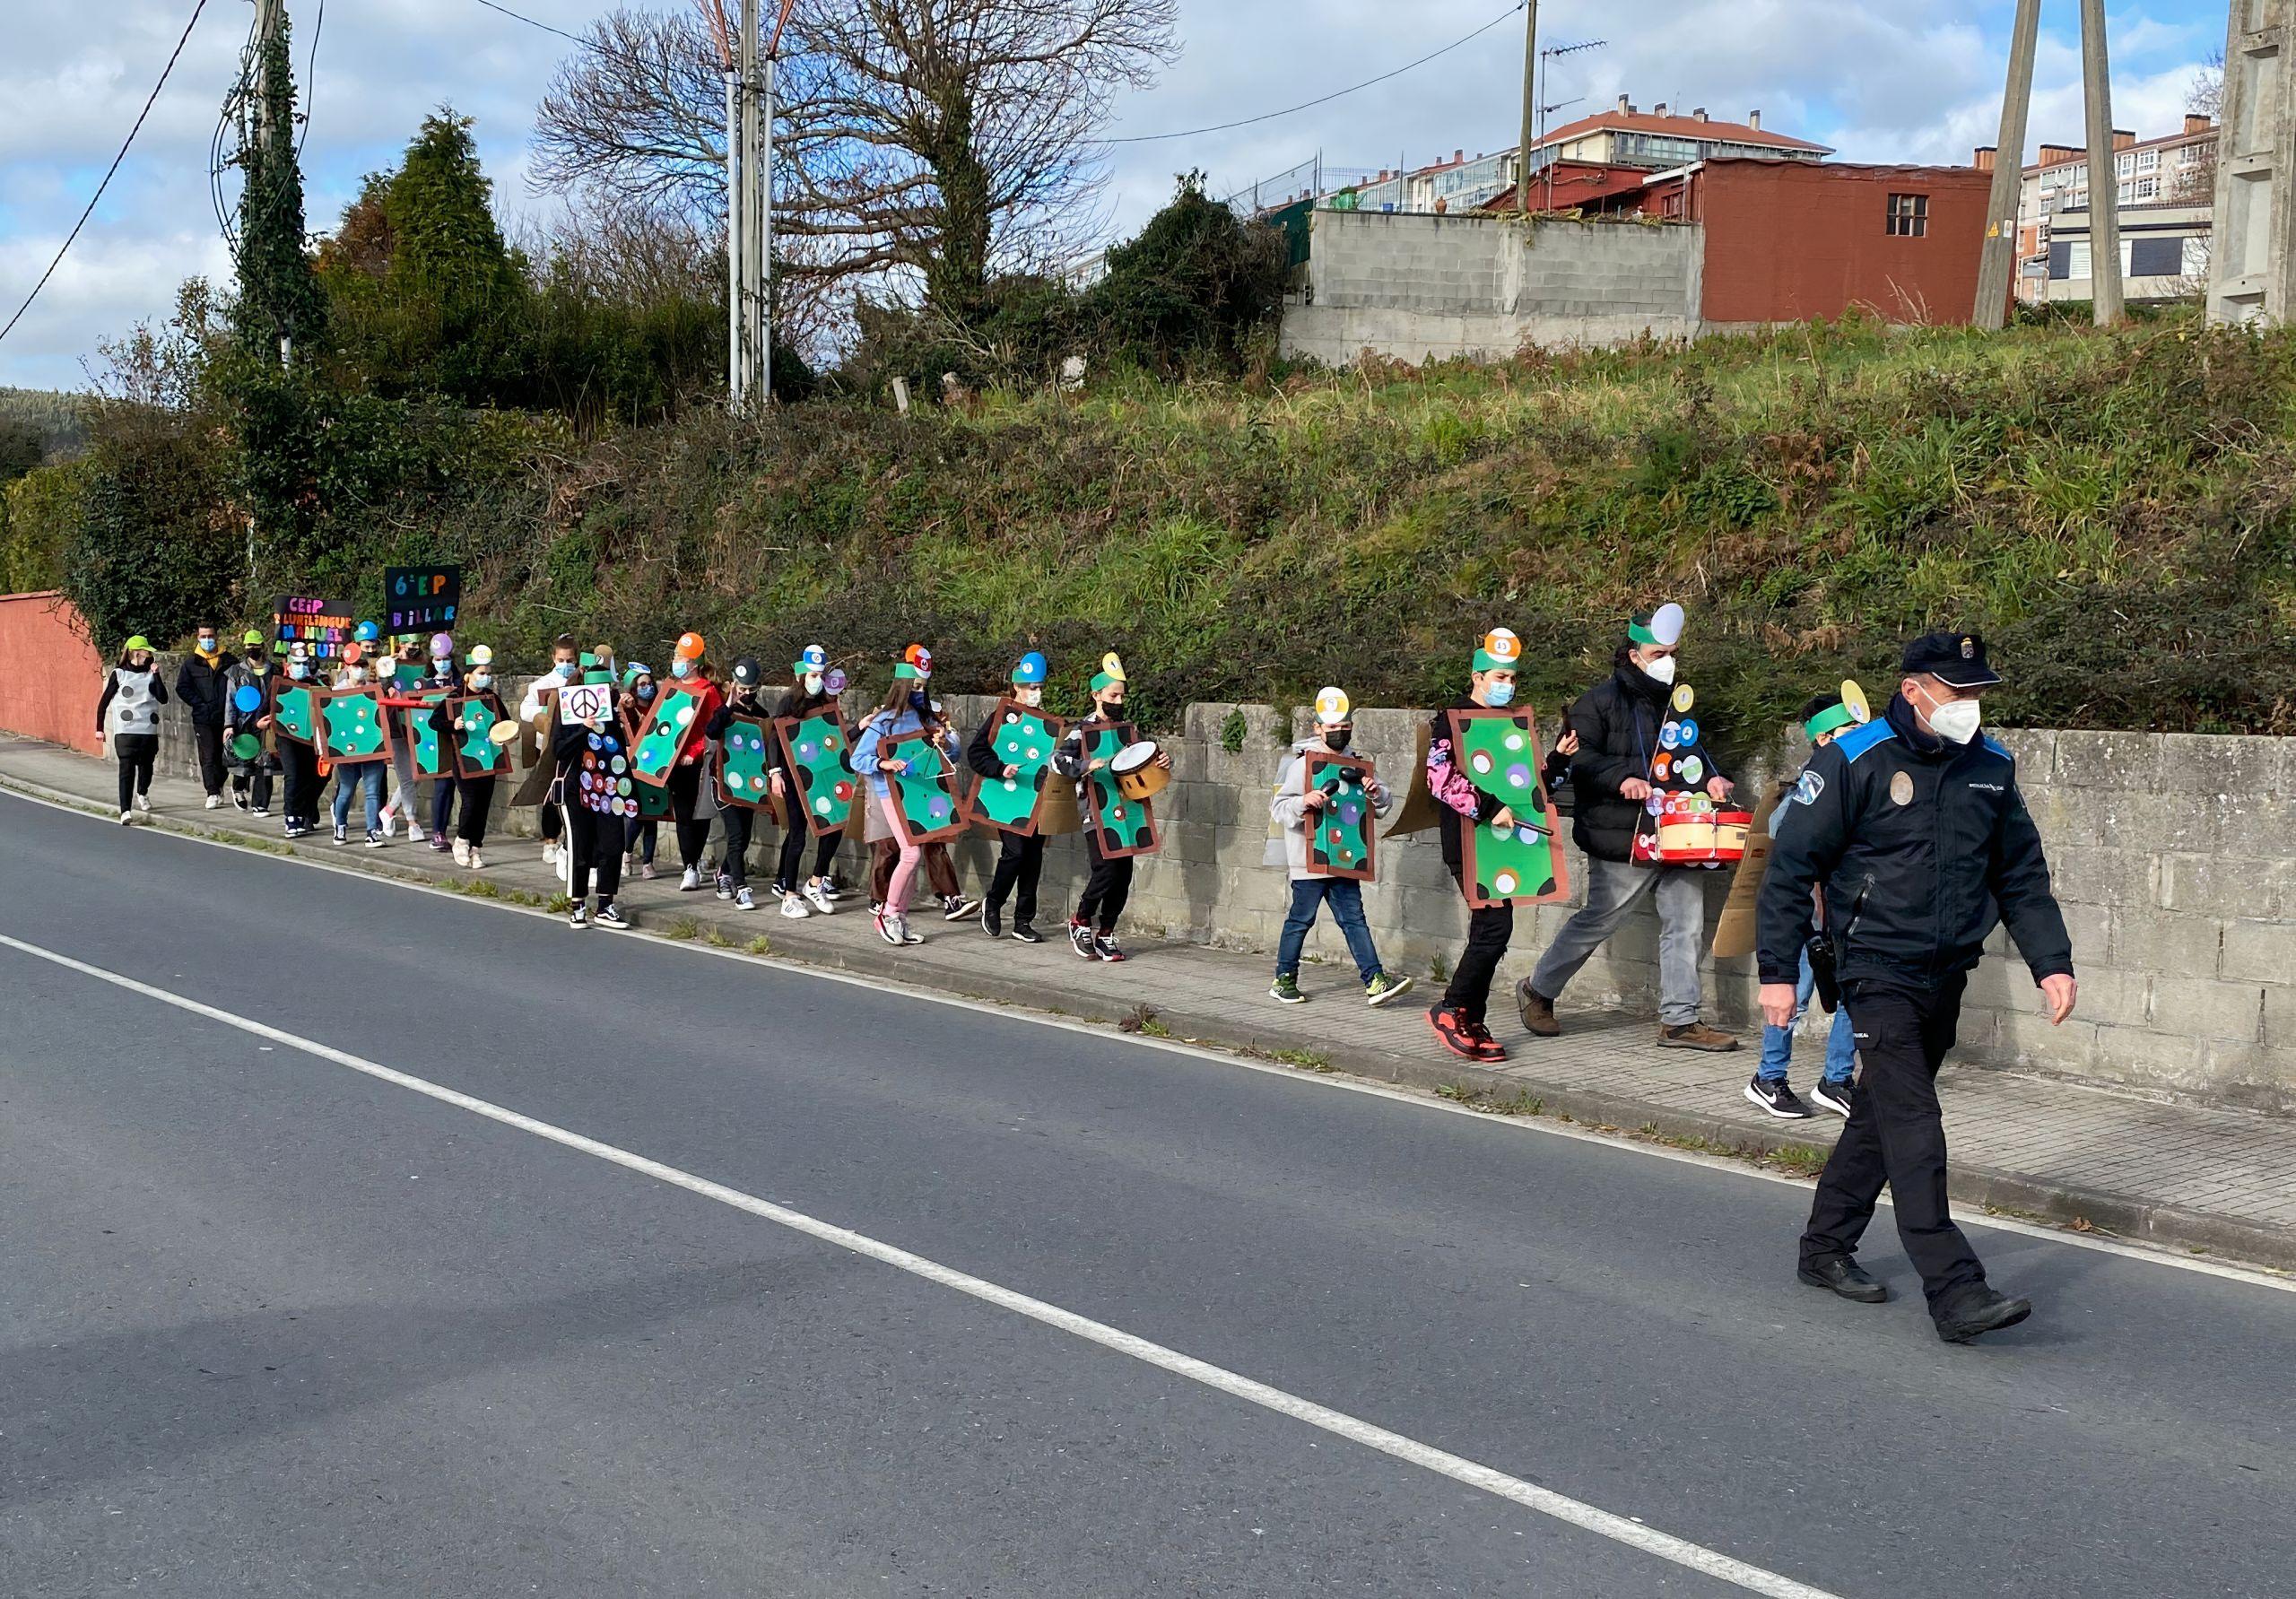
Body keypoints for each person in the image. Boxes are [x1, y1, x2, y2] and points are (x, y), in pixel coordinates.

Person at [1760, 631, 2075, 1343]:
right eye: (1957, 692)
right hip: (1874, 967)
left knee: (1878, 1115)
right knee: (1914, 1126)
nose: (1970, 706)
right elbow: (1788, 871)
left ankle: (1823, 1246)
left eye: (1978, 693)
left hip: (1945, 970)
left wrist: (2051, 960)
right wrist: (1778, 974)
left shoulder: (1990, 766)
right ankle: (1955, 1288)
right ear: (1913, 689)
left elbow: (2020, 874)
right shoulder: (1853, 759)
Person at [1519, 603, 1740, 1051]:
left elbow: (1692, 756)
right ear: (1635, 654)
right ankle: (1537, 989)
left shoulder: (1680, 705)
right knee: (1599, 919)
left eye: (1673, 652)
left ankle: (1679, 1022)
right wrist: (1622, 780)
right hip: (1620, 833)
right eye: (1660, 653)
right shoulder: (1597, 702)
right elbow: (1580, 759)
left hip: (1679, 833)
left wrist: (1712, 778)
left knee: (1686, 922)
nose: (1669, 661)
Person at [1744, 693, 1866, 1121]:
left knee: (1855, 995)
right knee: (1791, 997)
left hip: (1849, 918)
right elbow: (1786, 835)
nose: (1860, 739)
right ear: (1825, 738)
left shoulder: (1863, 777)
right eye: (1850, 732)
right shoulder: (1812, 786)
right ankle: (1768, 1077)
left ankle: (1836, 1080)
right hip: (1812, 920)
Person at [1266, 687, 1413, 1007]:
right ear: (1317, 727)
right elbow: (1278, 808)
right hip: (1309, 858)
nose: (1339, 732)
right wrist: (1303, 802)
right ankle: (1284, 979)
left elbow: (1378, 804)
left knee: (1354, 919)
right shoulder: (1302, 765)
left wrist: (1376, 793)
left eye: (1344, 726)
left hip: (1345, 856)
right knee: (1301, 919)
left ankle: (1374, 980)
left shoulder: (1356, 764)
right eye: (1331, 727)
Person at [1423, 628, 1530, 1060]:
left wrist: (1558, 757)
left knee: (1491, 930)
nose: (1507, 685)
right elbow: (1439, 777)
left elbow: (1527, 779)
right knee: (1494, 928)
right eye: (1499, 677)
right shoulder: (1450, 719)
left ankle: (1471, 1016)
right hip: (1469, 840)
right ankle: (1451, 1009)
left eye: (1512, 678)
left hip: (1502, 844)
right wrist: (1486, 807)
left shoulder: (1510, 723)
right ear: (1477, 676)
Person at [1051, 652, 1167, 962]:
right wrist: (1088, 765)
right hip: (1095, 811)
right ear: (1097, 695)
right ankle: (1082, 920)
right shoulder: (1083, 730)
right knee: (1105, 870)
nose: (1118, 700)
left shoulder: (1126, 731)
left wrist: (1160, 761)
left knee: (1123, 876)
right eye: (1113, 694)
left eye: (1121, 695)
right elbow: (1057, 760)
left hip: (1128, 809)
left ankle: (1107, 933)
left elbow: (1141, 759)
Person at [852, 646, 969, 946]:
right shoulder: (884, 720)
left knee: (912, 859)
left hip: (918, 794)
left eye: (923, 687)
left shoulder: (924, 718)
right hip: (889, 792)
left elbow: (950, 755)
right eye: (915, 687)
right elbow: (857, 759)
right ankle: (887, 914)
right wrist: (883, 763)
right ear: (903, 687)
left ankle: (900, 918)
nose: (920, 692)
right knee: (911, 853)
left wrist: (946, 740)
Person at [965, 651, 1054, 943]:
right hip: (1007, 799)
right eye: (1030, 686)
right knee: (1014, 853)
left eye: (1039, 687)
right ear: (1016, 686)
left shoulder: (1044, 724)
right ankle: (994, 901)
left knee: (1033, 858)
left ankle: (1023, 920)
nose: (1035, 692)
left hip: (1034, 799)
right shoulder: (1000, 717)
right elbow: (976, 753)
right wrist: (1001, 768)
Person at [769, 645, 844, 918]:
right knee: (797, 836)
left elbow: (837, 738)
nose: (816, 680)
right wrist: (775, 772)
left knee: (834, 827)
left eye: (820, 675)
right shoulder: (788, 702)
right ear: (802, 676)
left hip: (824, 776)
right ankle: (789, 895)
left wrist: (863, 725)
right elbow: (775, 737)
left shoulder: (827, 702)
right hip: (795, 778)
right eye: (812, 675)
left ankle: (815, 882)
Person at [554, 674, 631, 930]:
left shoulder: (610, 713)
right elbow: (559, 750)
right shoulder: (567, 710)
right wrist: (583, 728)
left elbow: (620, 750)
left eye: (608, 687)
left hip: (607, 789)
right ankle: (577, 905)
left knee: (613, 845)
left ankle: (605, 905)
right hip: (576, 790)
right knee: (581, 847)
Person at [706, 656, 770, 909]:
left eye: (750, 690)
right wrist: (729, 706)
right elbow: (711, 731)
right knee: (735, 835)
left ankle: (723, 872)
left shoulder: (762, 715)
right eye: (741, 689)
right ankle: (741, 888)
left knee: (742, 839)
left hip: (749, 783)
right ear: (733, 685)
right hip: (723, 782)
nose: (745, 694)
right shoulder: (725, 710)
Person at [664, 631, 726, 891]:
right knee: (682, 815)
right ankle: (689, 865)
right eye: (676, 656)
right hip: (674, 763)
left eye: (682, 657)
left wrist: (697, 752)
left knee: (699, 815)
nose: (677, 661)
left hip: (698, 763)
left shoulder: (708, 691)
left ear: (694, 663)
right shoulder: (672, 689)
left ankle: (695, 860)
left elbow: (713, 728)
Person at [434, 644, 505, 868]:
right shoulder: (454, 697)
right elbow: (434, 722)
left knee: (484, 804)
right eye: (481, 673)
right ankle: (462, 840)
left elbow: (505, 722)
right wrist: (452, 724)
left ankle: (477, 848)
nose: (486, 677)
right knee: (471, 800)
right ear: (468, 676)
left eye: (488, 673)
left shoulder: (491, 697)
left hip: (489, 758)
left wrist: (506, 735)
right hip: (463, 757)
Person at [519, 635, 581, 868]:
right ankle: (550, 841)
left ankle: (570, 841)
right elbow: (526, 710)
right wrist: (544, 714)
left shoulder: (580, 682)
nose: (565, 665)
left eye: (570, 660)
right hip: (547, 747)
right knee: (550, 795)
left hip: (574, 746)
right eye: (561, 660)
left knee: (571, 795)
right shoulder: (541, 685)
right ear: (553, 658)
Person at [96, 635, 168, 824]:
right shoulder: (119, 674)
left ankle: (142, 792)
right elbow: (103, 703)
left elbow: (163, 698)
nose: (150, 653)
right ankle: (125, 811)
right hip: (126, 731)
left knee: (147, 767)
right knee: (126, 770)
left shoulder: (150, 674)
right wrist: (99, 729)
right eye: (147, 651)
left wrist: (157, 675)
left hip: (148, 730)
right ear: (137, 652)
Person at [328, 646, 387, 848]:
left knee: (373, 792)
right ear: (347, 667)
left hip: (372, 748)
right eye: (356, 665)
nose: (360, 669)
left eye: (363, 665)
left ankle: (371, 832)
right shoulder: (337, 692)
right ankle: (340, 825)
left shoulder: (375, 690)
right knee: (346, 790)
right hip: (349, 751)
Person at [174, 624, 231, 809]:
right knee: (208, 754)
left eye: (210, 636)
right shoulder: (191, 663)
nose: (207, 640)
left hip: (225, 716)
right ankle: (212, 791)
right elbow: (182, 687)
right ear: (198, 638)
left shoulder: (229, 661)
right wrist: (199, 703)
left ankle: (220, 784)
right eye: (203, 636)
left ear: (217, 636)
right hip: (203, 717)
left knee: (224, 755)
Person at [271, 645, 323, 839]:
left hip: (309, 739)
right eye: (296, 663)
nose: (300, 667)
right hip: (286, 737)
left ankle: (305, 812)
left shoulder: (315, 683)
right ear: (288, 664)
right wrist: (262, 720)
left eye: (304, 663)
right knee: (293, 774)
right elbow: (266, 710)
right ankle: (291, 817)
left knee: (312, 776)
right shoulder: (280, 684)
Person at [224, 630, 276, 816]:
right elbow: (230, 700)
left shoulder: (274, 670)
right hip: (243, 722)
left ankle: (261, 804)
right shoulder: (236, 672)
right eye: (249, 646)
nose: (252, 649)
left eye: (255, 645)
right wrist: (228, 725)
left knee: (265, 761)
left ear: (263, 647)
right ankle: (238, 789)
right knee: (244, 760)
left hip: (267, 722)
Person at [420, 632, 464, 851]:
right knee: (443, 787)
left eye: (446, 659)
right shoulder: (426, 685)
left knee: (459, 788)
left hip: (462, 743)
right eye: (438, 659)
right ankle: (438, 832)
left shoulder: (460, 684)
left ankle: (461, 834)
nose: (442, 663)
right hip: (438, 743)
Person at [619, 663, 663, 881]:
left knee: (652, 815)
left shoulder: (660, 706)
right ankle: (626, 854)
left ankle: (648, 862)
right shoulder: (630, 708)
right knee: (634, 815)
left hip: (655, 766)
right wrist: (626, 706)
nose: (648, 687)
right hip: (634, 768)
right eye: (642, 684)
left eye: (649, 683)